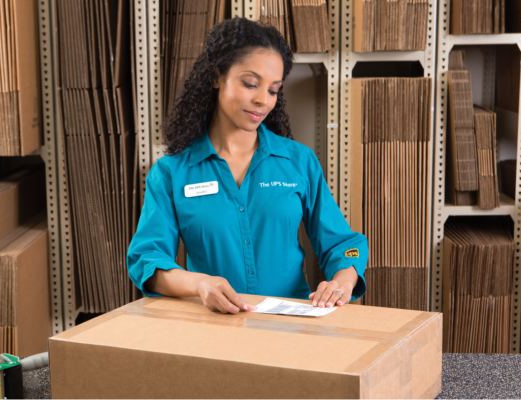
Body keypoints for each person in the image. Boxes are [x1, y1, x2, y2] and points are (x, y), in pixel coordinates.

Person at [127, 17, 368, 315]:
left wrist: (343, 280)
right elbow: (146, 259)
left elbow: (343, 244)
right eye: (250, 84)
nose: (262, 101)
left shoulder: (299, 161)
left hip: (290, 330)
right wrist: (200, 284)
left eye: (273, 90)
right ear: (217, 77)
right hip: (215, 331)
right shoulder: (170, 173)